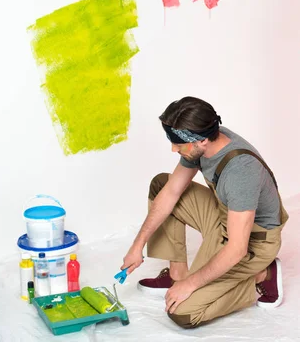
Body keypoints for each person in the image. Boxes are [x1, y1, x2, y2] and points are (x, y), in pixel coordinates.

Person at [121, 97, 288, 328]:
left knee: (183, 313)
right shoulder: (203, 142)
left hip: (252, 242)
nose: (174, 149)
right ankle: (177, 274)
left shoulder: (241, 172)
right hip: (224, 216)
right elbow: (170, 192)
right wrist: (137, 245)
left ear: (200, 141)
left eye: (179, 144)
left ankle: (262, 275)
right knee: (161, 184)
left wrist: (191, 285)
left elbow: (237, 248)